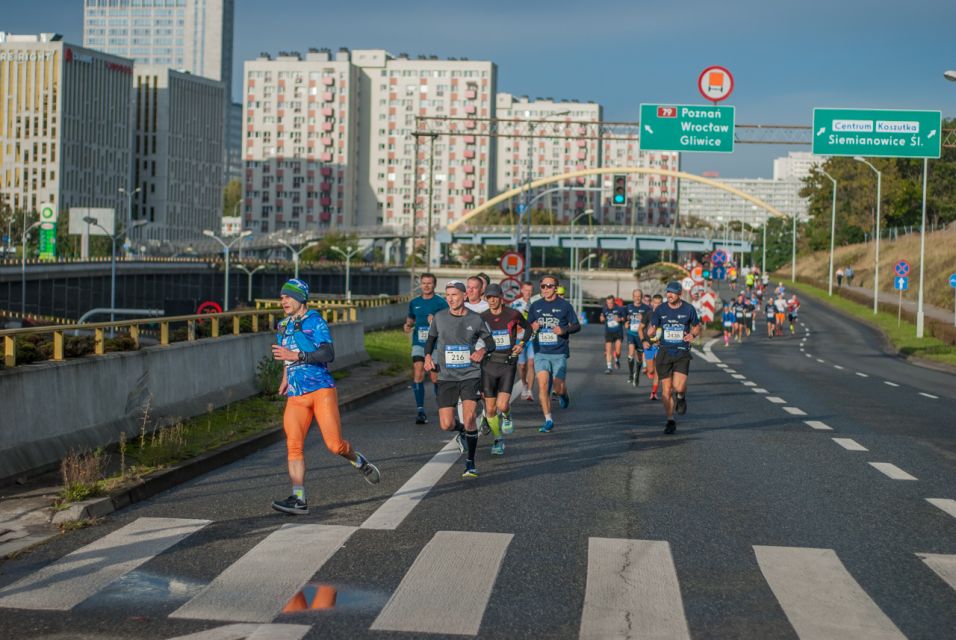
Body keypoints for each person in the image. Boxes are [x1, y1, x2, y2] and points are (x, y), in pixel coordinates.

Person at [270, 278, 380, 515]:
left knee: (334, 445)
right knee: (294, 445)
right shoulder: (281, 325)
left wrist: (296, 355)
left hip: (321, 390)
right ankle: (299, 498)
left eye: (288, 296)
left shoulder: (315, 321)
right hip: (296, 395)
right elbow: (285, 356)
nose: (283, 301)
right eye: (281, 297)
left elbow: (327, 353)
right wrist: (286, 377)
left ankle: (358, 461)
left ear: (300, 298)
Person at [424, 281, 492, 478]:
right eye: (448, 295)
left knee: (470, 417)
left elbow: (490, 342)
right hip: (447, 377)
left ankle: (470, 462)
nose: (450, 299)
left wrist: (481, 350)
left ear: (464, 296)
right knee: (446, 424)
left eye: (454, 295)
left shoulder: (476, 319)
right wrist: (428, 357)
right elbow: (430, 340)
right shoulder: (439, 317)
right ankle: (461, 431)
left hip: (470, 375)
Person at [642, 281, 701, 434]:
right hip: (664, 353)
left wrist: (692, 334)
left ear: (680, 293)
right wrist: (651, 331)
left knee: (679, 387)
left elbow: (697, 325)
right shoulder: (660, 309)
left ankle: (681, 397)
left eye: (673, 292)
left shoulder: (688, 309)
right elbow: (652, 326)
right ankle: (670, 420)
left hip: (681, 352)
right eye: (668, 292)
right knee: (666, 390)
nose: (669, 295)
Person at [480, 283, 531, 455]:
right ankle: (498, 439)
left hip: (507, 363)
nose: (492, 300)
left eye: (495, 297)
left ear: (501, 297)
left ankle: (507, 415)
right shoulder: (482, 317)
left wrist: (522, 344)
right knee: (490, 409)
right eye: (489, 297)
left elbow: (529, 328)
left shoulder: (513, 314)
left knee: (502, 405)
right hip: (488, 364)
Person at [528, 275, 581, 433]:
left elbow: (577, 326)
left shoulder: (565, 306)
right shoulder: (535, 305)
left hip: (559, 352)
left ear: (556, 288)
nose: (545, 289)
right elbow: (528, 326)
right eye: (543, 286)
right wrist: (533, 327)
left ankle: (564, 395)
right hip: (541, 352)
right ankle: (548, 419)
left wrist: (563, 330)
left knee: (558, 388)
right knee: (543, 385)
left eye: (549, 286)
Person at [403, 273, 448, 424]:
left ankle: (442, 406)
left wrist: (435, 322)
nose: (426, 286)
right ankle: (420, 411)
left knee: (435, 377)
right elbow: (410, 319)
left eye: (429, 283)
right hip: (418, 343)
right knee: (418, 371)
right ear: (420, 285)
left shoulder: (441, 303)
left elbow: (449, 323)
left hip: (436, 344)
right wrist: (408, 325)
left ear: (434, 285)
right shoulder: (414, 302)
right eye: (424, 283)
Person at [510, 281, 537, 402]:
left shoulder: (536, 304)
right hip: (519, 339)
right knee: (522, 366)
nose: (528, 293)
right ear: (521, 290)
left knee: (531, 364)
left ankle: (530, 391)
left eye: (530, 290)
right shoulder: (515, 304)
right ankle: (524, 384)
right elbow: (510, 321)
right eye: (526, 290)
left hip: (532, 338)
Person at [624, 289, 651, 386]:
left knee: (639, 358)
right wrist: (625, 323)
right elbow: (624, 318)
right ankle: (631, 374)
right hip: (631, 333)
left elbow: (649, 321)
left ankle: (637, 375)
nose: (637, 298)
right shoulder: (628, 307)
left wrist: (643, 318)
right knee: (631, 353)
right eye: (635, 296)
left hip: (640, 335)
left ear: (641, 297)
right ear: (632, 297)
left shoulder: (647, 308)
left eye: (639, 296)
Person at [642, 294, 663, 400]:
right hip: (649, 344)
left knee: (658, 369)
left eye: (659, 303)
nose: (657, 305)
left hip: (660, 346)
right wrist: (643, 341)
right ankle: (650, 370)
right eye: (655, 303)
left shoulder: (665, 316)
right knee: (651, 370)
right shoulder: (648, 314)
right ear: (652, 303)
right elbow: (640, 329)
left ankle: (654, 392)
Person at [599, 294, 625, 374]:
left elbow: (624, 318)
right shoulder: (605, 309)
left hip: (618, 332)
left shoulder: (619, 309)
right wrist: (602, 319)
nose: (609, 305)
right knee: (608, 350)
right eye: (608, 303)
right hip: (609, 332)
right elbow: (602, 317)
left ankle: (616, 359)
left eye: (611, 303)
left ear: (614, 302)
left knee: (618, 352)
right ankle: (609, 367)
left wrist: (620, 319)